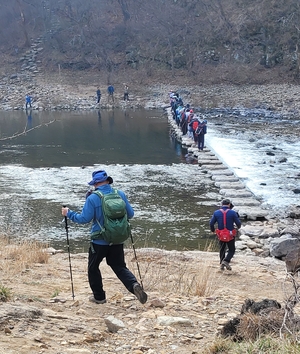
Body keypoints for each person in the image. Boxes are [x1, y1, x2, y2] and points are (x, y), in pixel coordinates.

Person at [61, 170, 147, 305]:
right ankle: (134, 285)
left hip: (99, 241)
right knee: (119, 266)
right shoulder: (120, 194)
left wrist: (68, 213)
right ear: (108, 181)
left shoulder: (93, 198)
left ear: (95, 183)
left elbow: (84, 219)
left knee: (93, 267)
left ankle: (99, 297)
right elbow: (130, 215)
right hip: (117, 239)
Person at [209, 199, 241, 271]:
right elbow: (238, 223)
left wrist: (213, 230)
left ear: (222, 204)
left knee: (222, 249)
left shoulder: (216, 212)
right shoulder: (233, 213)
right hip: (230, 234)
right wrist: (237, 228)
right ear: (229, 204)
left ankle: (221, 264)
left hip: (220, 234)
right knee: (231, 249)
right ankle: (226, 261)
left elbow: (211, 223)